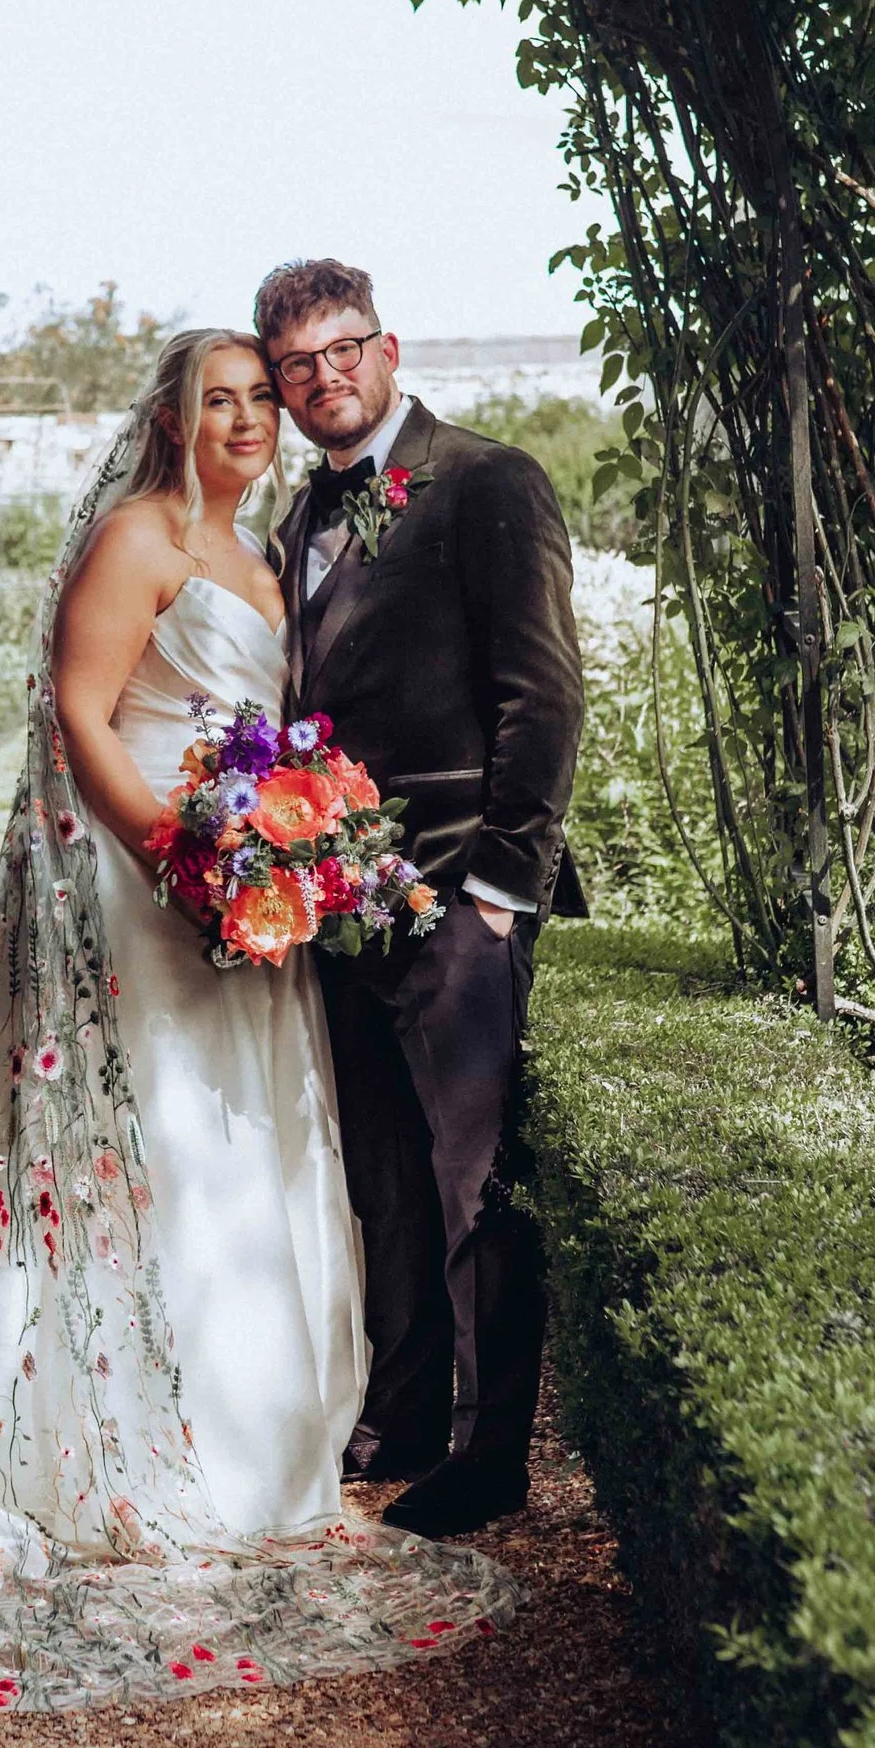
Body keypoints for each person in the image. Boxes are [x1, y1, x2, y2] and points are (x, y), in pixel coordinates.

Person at [0, 328, 510, 1712]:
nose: (246, 418)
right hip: (148, 884)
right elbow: (80, 711)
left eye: (260, 399)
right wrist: (186, 860)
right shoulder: (139, 539)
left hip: (258, 900)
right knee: (166, 1143)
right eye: (219, 400)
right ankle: (133, 1450)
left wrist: (284, 865)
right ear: (173, 421)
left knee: (261, 1143)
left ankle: (269, 1454)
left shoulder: (271, 547)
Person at [261, 260, 587, 1539]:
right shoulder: (298, 518)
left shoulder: (486, 481)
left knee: (473, 1187)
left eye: (341, 350)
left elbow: (543, 695)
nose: (321, 377)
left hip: (459, 896)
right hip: (341, 905)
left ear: (388, 349)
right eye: (296, 365)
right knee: (382, 1177)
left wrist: (504, 891)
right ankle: (396, 1413)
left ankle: (485, 1454)